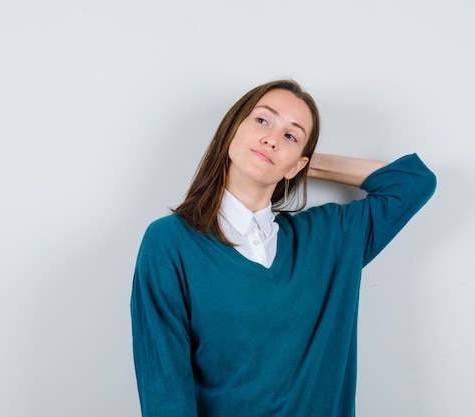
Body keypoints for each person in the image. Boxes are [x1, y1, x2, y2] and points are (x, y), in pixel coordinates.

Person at [130, 79, 436, 417]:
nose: (272, 138)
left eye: (291, 135)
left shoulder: (330, 238)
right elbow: (165, 392)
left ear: (297, 166)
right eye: (262, 120)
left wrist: (300, 162)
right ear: (232, 129)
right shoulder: (170, 242)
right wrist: (285, 153)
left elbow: (413, 182)